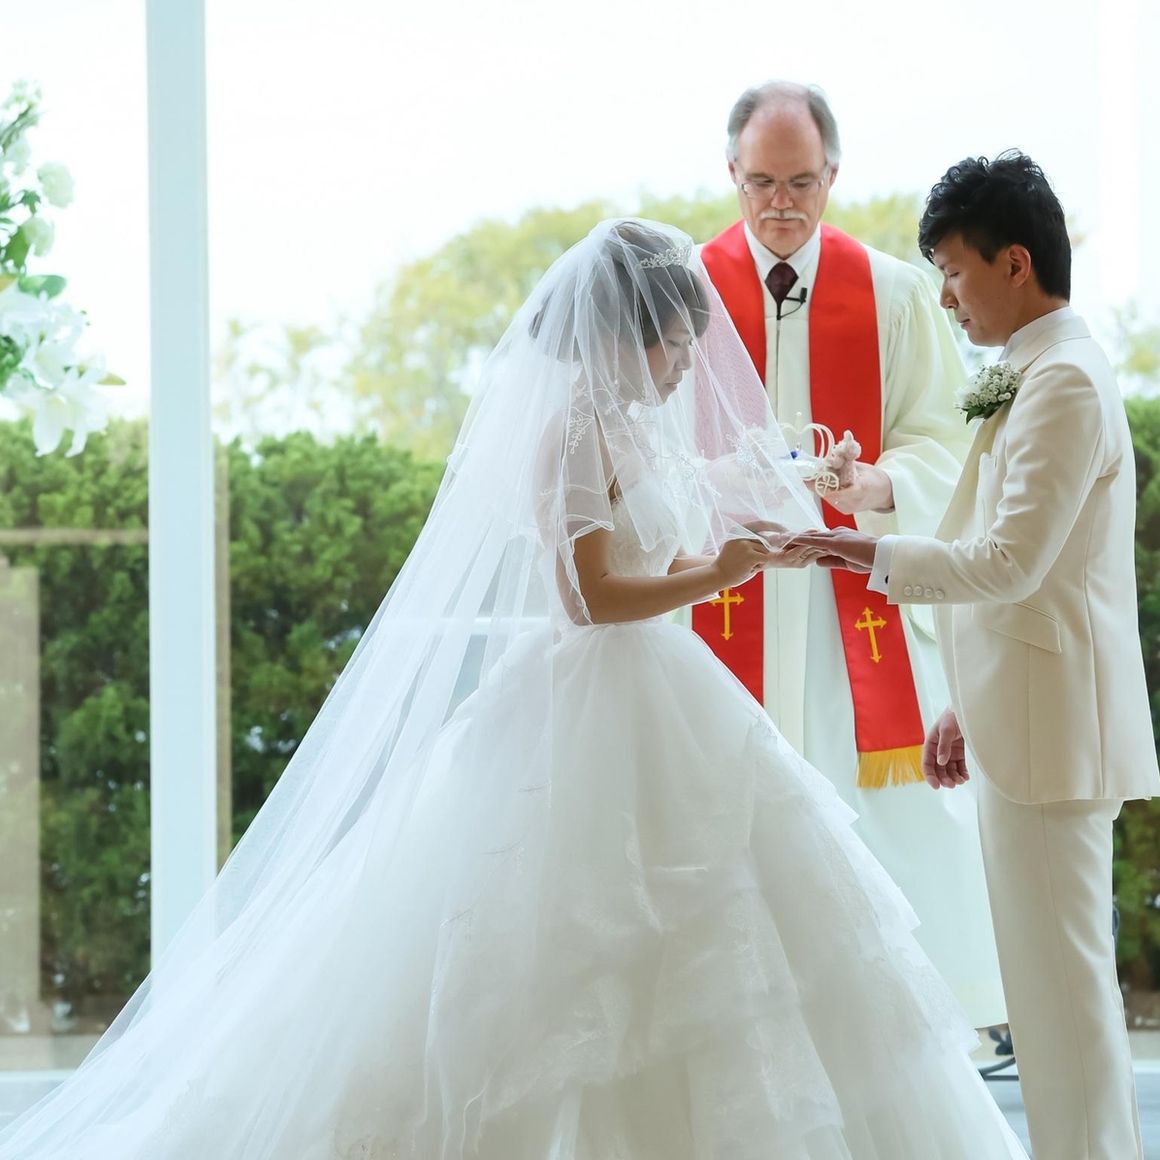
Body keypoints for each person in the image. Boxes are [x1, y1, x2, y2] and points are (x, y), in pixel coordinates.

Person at [0, 221, 1025, 1159]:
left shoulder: (640, 427)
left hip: (667, 692)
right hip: (588, 700)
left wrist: (765, 534)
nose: (687, 364)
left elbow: (688, 524)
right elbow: (587, 596)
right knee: (575, 942)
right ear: (625, 336)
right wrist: (716, 575)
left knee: (723, 922)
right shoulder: (573, 432)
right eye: (675, 344)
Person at [788, 153, 1160, 1160]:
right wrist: (963, 700)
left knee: (1065, 1004)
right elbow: (1024, 572)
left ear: (1013, 262)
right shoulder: (1030, 371)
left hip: (1053, 740)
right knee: (1048, 1001)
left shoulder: (1063, 381)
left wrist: (854, 551)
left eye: (952, 272)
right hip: (1022, 719)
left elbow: (1007, 561)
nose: (945, 298)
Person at [693, 80, 1005, 1026]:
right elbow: (649, 442)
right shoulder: (688, 292)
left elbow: (946, 443)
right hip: (725, 598)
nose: (781, 204)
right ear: (731, 173)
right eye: (761, 183)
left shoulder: (894, 294)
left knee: (879, 822)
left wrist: (875, 484)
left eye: (800, 182)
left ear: (832, 173)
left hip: (850, 615)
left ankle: (893, 1028)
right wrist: (718, 483)